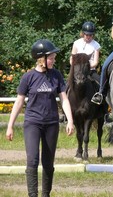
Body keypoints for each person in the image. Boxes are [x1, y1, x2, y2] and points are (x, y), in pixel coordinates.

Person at [6, 39, 74, 197]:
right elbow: (19, 101)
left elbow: (64, 99)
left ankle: (45, 195)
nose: (53, 60)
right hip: (32, 123)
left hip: (51, 123)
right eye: (51, 58)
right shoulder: (28, 77)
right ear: (40, 58)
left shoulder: (56, 75)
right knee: (33, 160)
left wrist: (70, 120)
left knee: (48, 163)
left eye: (54, 58)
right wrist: (10, 125)